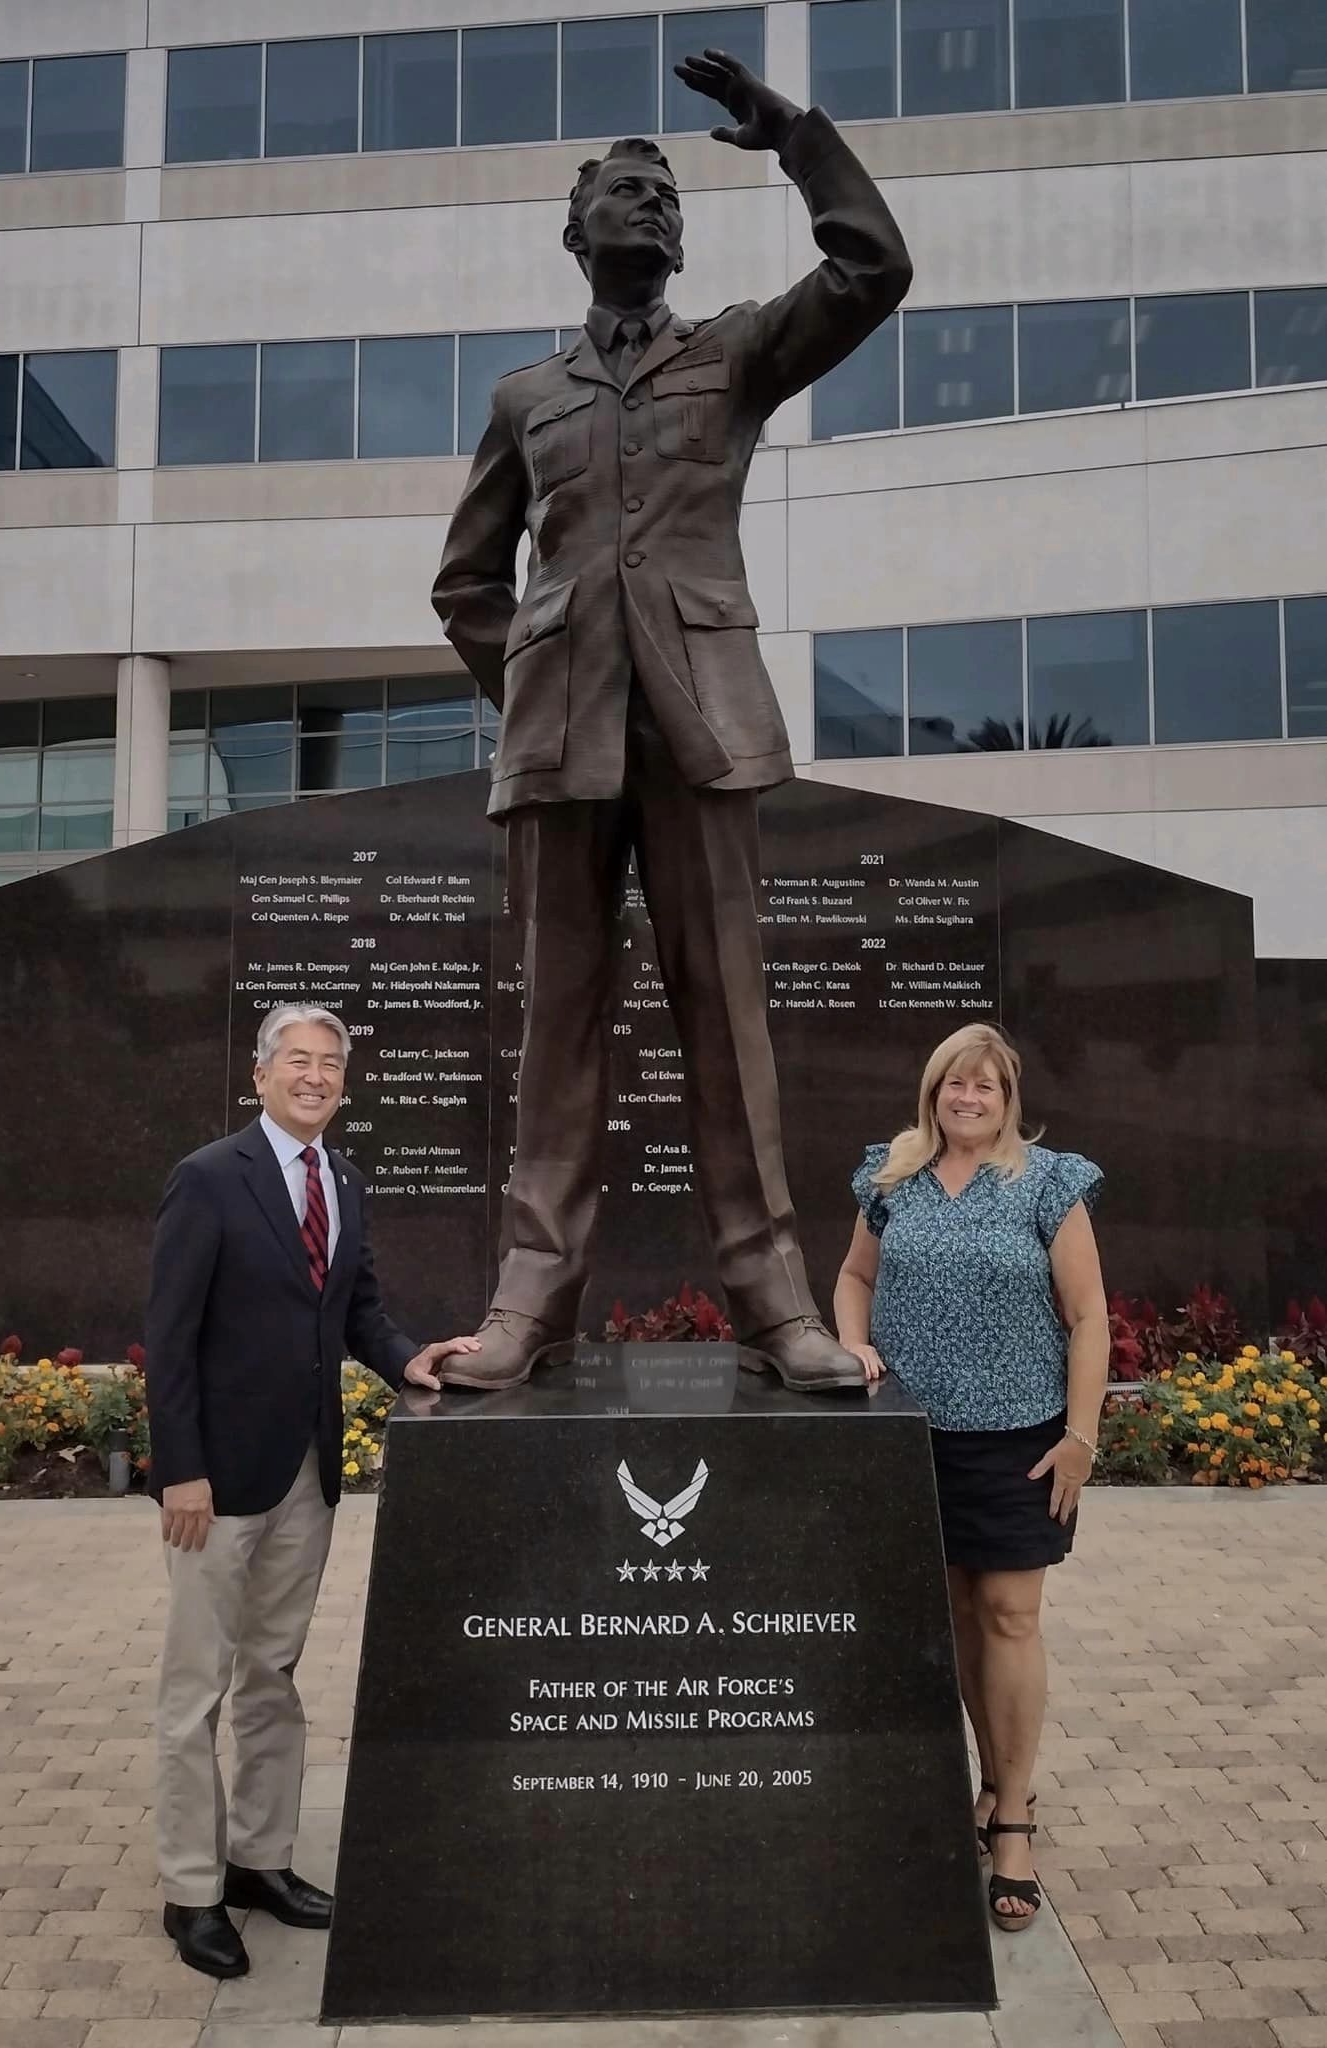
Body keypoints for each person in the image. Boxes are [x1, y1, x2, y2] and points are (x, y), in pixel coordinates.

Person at [432, 48, 912, 1394]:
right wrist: (531, 679)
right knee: (558, 1031)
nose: (649, 207)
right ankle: (533, 1301)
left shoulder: (733, 353)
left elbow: (873, 271)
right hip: (562, 750)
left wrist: (792, 138)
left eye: (665, 196)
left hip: (700, 731)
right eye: (624, 192)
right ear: (573, 230)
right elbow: (466, 580)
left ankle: (772, 1305)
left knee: (726, 1023)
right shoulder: (526, 398)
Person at [143, 1002, 479, 1979]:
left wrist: (411, 1358)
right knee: (192, 1690)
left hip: (305, 1476)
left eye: (331, 1063)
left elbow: (359, 1310)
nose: (316, 1075)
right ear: (260, 1073)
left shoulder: (344, 1179)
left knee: (271, 1676)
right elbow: (166, 1336)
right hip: (217, 1482)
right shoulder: (208, 1179)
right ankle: (191, 1889)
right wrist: (182, 1469)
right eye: (298, 1059)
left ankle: (257, 1859)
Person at [833, 1023, 1109, 1933]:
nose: (969, 1098)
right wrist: (853, 1345)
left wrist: (1080, 1437)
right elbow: (852, 1276)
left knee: (1010, 1615)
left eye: (986, 1087)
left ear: (1008, 1098)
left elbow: (1089, 1316)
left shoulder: (1048, 1182)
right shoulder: (892, 1176)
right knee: (953, 1616)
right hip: (911, 1434)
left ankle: (1016, 1817)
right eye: (957, 1083)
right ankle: (985, 1781)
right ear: (934, 1091)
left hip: (1020, 1439)